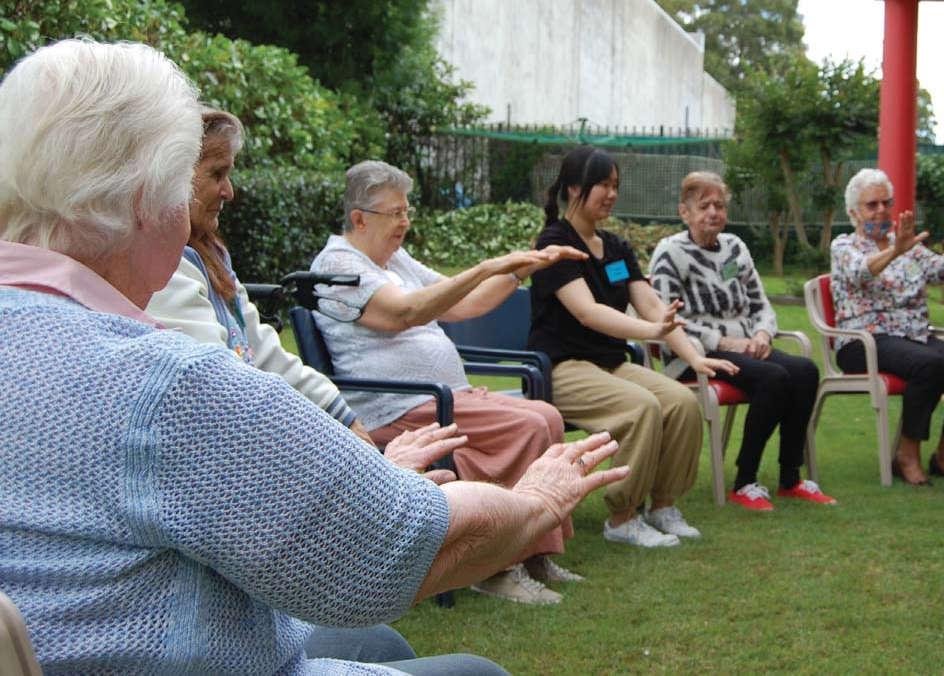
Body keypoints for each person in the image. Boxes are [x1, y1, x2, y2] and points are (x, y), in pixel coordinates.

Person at [0, 39, 626, 674]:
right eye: (194, 177)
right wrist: (536, 501)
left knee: (382, 645)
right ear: (147, 200)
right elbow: (386, 551)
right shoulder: (168, 386)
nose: (224, 194)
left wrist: (511, 270)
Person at [310, 159, 588, 605]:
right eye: (395, 213)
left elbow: (464, 304)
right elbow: (405, 313)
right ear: (359, 218)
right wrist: (486, 267)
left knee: (547, 417)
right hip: (399, 407)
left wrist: (522, 270)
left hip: (442, 398)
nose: (405, 222)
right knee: (529, 426)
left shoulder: (393, 259)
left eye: (406, 211)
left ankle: (533, 550)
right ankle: (495, 567)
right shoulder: (338, 266)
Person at [528, 146, 738, 547]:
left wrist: (694, 357)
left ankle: (662, 506)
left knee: (681, 402)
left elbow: (653, 306)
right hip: (562, 368)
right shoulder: (555, 242)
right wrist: (651, 329)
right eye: (603, 185)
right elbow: (587, 312)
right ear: (574, 188)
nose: (611, 194)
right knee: (641, 407)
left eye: (615, 185)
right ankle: (622, 517)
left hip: (610, 364)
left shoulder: (616, 248)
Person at [145, 107, 376, 447]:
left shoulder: (210, 253)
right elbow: (219, 388)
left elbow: (259, 347)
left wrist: (339, 413)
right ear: (170, 177)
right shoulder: (159, 267)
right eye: (217, 174)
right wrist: (330, 444)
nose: (229, 191)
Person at [648, 171, 835, 511]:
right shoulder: (670, 253)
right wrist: (723, 341)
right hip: (694, 355)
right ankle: (745, 481)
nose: (713, 212)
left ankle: (790, 478)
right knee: (773, 378)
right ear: (684, 212)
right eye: (704, 205)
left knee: (805, 371)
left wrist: (762, 333)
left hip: (745, 348)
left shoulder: (735, 247)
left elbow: (760, 302)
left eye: (719, 205)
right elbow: (665, 318)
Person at [830, 168, 944, 486]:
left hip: (913, 336)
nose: (881, 210)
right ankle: (907, 455)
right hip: (863, 340)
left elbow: (940, 272)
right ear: (853, 212)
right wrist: (895, 252)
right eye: (872, 205)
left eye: (886, 203)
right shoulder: (844, 246)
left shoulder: (905, 243)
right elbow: (861, 273)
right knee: (927, 365)